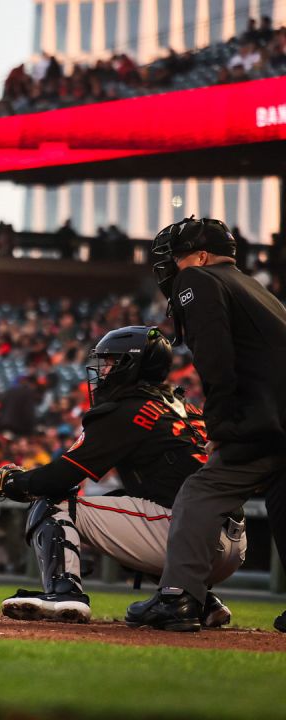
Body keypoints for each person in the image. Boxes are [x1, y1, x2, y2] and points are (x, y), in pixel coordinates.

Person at [0, 326, 243, 626]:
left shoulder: (128, 408)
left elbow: (61, 477)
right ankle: (197, 601)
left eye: (111, 362)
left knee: (53, 504)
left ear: (132, 365)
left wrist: (14, 482)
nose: (103, 370)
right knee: (116, 504)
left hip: (185, 534)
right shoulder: (185, 407)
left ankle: (64, 592)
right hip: (232, 540)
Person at [127, 218, 286, 633]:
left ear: (198, 256)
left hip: (263, 416)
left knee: (201, 491)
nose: (173, 268)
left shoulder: (197, 278)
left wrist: (219, 425)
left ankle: (178, 597)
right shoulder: (253, 287)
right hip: (278, 416)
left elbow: (215, 357)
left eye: (176, 258)